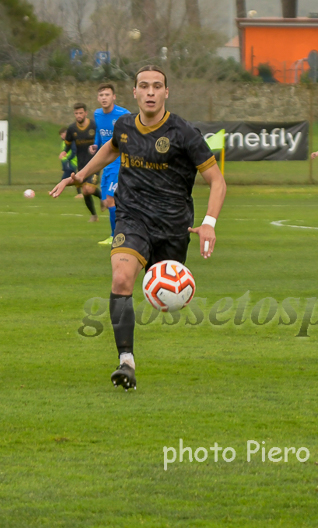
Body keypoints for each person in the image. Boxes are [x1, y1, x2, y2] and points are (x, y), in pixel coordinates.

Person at [50, 65, 227, 391]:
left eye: (156, 86)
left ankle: (148, 315)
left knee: (167, 297)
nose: (150, 92)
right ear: (134, 92)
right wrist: (81, 175)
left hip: (173, 226)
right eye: (144, 86)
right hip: (132, 218)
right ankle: (126, 361)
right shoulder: (124, 126)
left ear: (166, 92)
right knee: (121, 278)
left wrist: (209, 223)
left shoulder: (184, 133)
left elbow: (217, 181)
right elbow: (111, 148)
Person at [91, 84, 131, 244]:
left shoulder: (124, 114)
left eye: (107, 95)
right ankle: (123, 232)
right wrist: (96, 144)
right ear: (98, 98)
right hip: (105, 163)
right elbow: (99, 132)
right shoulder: (97, 114)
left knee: (110, 200)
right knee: (106, 201)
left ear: (114, 97)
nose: (104, 98)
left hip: (120, 162)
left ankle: (116, 236)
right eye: (101, 95)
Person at [62, 103, 100, 222]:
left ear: (86, 113)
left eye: (81, 113)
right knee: (85, 191)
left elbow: (101, 140)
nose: (78, 115)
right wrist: (64, 151)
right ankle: (94, 215)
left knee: (89, 189)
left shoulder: (94, 125)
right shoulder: (72, 129)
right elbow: (68, 143)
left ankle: (104, 198)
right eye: (76, 113)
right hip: (81, 165)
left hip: (95, 163)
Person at [57, 128, 81, 197]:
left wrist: (68, 159)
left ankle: (56, 192)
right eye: (61, 135)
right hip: (67, 163)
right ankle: (79, 193)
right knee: (74, 178)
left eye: (63, 134)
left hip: (71, 163)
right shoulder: (63, 142)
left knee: (64, 179)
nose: (62, 136)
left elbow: (74, 151)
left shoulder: (71, 142)